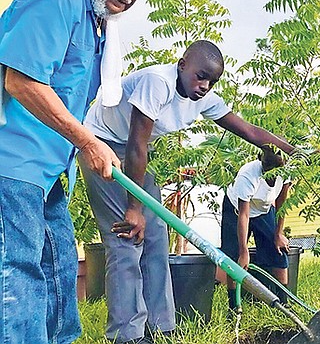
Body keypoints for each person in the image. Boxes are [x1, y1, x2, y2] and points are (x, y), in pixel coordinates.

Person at [80, 40, 295, 344]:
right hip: (102, 145)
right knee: (127, 239)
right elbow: (137, 143)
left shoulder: (203, 98)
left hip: (135, 156)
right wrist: (134, 207)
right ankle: (126, 335)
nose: (205, 85)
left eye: (212, 81)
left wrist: (300, 153)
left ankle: (161, 328)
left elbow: (250, 132)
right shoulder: (158, 82)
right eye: (200, 76)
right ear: (182, 65)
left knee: (155, 238)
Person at [0, 0, 151, 342]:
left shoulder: (97, 22)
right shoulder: (54, 0)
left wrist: (79, 146)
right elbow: (22, 81)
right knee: (17, 274)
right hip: (11, 162)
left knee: (60, 267)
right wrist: (89, 142)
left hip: (47, 171)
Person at [220, 146, 292, 312]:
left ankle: (284, 305)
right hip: (236, 210)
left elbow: (282, 203)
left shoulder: (287, 172)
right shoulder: (248, 175)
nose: (271, 177)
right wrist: (244, 251)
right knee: (234, 257)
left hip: (263, 210)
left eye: (275, 173)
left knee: (278, 252)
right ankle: (234, 306)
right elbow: (243, 216)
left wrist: (278, 233)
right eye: (268, 171)